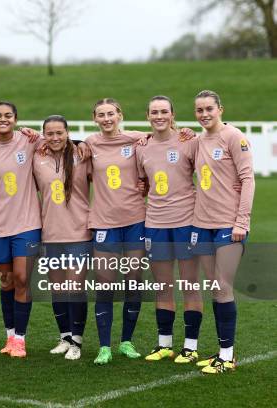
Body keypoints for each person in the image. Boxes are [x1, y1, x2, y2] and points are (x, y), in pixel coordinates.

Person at [190, 90, 254, 374]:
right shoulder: (197, 140)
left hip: (229, 225)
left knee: (222, 287)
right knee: (214, 289)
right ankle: (221, 352)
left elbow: (247, 179)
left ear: (220, 110)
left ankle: (227, 356)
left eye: (209, 109)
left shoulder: (234, 137)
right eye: (199, 110)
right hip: (202, 224)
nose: (204, 114)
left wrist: (242, 221)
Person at [136, 96, 203, 364]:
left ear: (173, 115)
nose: (159, 116)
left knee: (189, 285)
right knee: (163, 286)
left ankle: (190, 346)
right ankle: (164, 344)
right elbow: (142, 183)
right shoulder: (142, 147)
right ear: (147, 116)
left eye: (164, 111)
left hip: (186, 221)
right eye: (154, 112)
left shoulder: (189, 141)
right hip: (155, 223)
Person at [0, 101, 42, 358]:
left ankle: (21, 340)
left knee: (23, 279)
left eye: (8, 115)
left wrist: (36, 133)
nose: (3, 119)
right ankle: (10, 335)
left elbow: (59, 141)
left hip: (27, 224)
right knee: (7, 281)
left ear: (16, 119)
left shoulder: (29, 140)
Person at [85, 98, 148, 365]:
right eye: (102, 115)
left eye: (111, 113)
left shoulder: (137, 140)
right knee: (105, 284)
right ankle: (104, 346)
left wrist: (186, 131)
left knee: (133, 281)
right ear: (95, 118)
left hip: (135, 220)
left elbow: (165, 135)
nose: (107, 118)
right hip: (103, 222)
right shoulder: (88, 144)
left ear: (120, 115)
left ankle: (126, 341)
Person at [32, 115, 92, 361]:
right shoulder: (37, 157)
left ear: (67, 133)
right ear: (44, 135)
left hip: (79, 231)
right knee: (57, 289)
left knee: (75, 288)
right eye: (50, 133)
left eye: (60, 133)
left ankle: (77, 340)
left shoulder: (82, 154)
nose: (55, 137)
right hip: (50, 233)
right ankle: (65, 336)